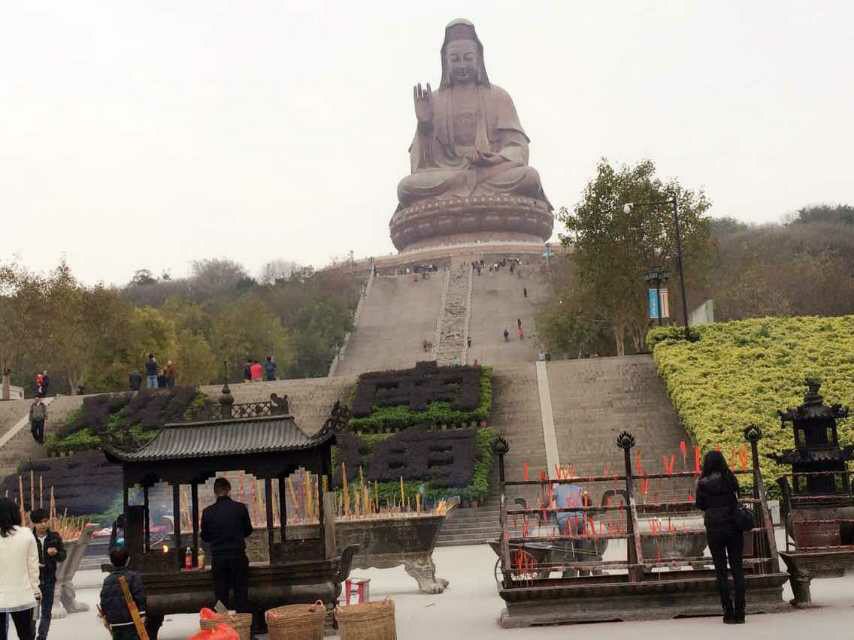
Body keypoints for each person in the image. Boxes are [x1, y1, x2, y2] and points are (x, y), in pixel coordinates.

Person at [696, 450, 745, 624]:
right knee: (737, 568)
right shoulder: (730, 479)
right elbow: (738, 498)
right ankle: (741, 611)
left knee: (721, 571)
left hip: (715, 528)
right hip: (733, 526)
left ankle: (728, 611)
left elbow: (700, 505)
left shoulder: (703, 483)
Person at [201, 478, 253, 614]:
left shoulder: (207, 512)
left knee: (220, 596)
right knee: (241, 594)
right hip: (238, 557)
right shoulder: (240, 508)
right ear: (229, 490)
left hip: (218, 559)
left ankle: (222, 628)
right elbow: (248, 530)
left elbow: (205, 537)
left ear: (214, 492)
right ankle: (244, 629)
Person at [0, 496, 40, 640]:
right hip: (22, 595)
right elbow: (33, 567)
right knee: (26, 635)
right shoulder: (26, 534)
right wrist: (36, 590)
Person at [30, 509, 66, 640]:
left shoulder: (54, 537)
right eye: (40, 522)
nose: (44, 525)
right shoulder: (29, 538)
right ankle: (31, 635)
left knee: (46, 612)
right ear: (34, 523)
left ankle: (42, 636)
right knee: (34, 613)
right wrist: (34, 565)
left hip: (50, 580)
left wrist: (56, 553)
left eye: (46, 521)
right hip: (34, 583)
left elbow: (63, 556)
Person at [99, 547, 146, 640]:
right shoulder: (133, 577)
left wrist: (105, 616)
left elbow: (104, 600)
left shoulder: (107, 580)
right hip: (131, 620)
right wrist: (142, 614)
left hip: (115, 623)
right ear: (128, 560)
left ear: (112, 562)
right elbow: (139, 597)